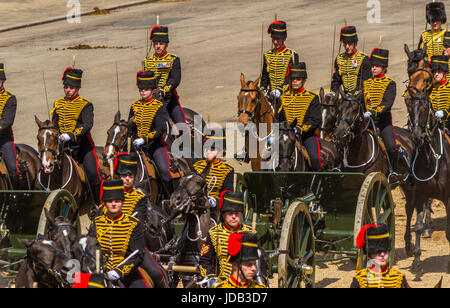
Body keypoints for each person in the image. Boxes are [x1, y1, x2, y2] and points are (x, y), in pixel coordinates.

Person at [51, 67, 102, 204]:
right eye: (66, 87)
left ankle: (97, 205)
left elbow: (87, 125)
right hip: (63, 146)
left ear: (78, 89)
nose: (68, 90)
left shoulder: (85, 105)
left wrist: (71, 135)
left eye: (71, 88)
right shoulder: (58, 104)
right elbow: (54, 123)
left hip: (82, 146)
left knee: (93, 174)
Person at [89, 179, 149, 288]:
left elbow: (137, 255)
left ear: (122, 202)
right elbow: (89, 250)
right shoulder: (96, 223)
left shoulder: (133, 224)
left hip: (126, 275)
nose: (113, 204)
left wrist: (119, 272)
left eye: (117, 201)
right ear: (105, 203)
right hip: (99, 273)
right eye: (110, 201)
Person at [129, 70, 173, 196]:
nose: (143, 92)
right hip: (136, 146)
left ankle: (168, 197)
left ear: (153, 91)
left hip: (154, 145)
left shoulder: (159, 106)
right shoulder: (134, 106)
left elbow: (160, 129)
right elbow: (131, 127)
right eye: (141, 89)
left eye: (146, 89)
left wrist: (144, 139)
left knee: (165, 171)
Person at [277, 62, 324, 171]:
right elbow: (277, 119)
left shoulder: (312, 98)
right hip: (285, 136)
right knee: (265, 156)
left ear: (304, 81)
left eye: (298, 79)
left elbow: (315, 120)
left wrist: (299, 129)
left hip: (306, 136)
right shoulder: (283, 98)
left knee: (314, 158)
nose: (294, 82)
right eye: (293, 79)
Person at [199, 191, 253, 282]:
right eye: (230, 213)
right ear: (223, 215)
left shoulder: (250, 233)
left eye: (237, 213)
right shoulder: (214, 233)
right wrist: (211, 278)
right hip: (222, 282)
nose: (234, 217)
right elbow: (204, 261)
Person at [144, 26, 188, 132]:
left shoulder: (173, 59)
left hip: (169, 99)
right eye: (156, 44)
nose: (158, 46)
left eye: (161, 44)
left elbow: (175, 79)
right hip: (151, 100)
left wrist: (162, 90)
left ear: (166, 45)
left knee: (182, 127)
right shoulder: (148, 61)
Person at [362, 48, 398, 172]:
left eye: (377, 66)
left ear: (384, 68)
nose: (374, 68)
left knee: (391, 145)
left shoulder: (390, 83)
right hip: (366, 122)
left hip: (382, 122)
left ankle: (393, 171)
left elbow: (387, 104)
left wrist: (372, 112)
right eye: (373, 66)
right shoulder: (366, 83)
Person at [193, 128, 234, 221]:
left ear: (220, 151)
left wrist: (216, 201)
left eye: (212, 149)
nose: (208, 152)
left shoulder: (227, 170)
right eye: (207, 148)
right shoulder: (197, 166)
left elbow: (227, 193)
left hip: (215, 210)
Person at [351, 224, 407, 288]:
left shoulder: (398, 277)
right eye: (377, 252)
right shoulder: (360, 279)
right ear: (368, 254)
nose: (382, 254)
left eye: (385, 251)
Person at [261, 20, 299, 101]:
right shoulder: (267, 55)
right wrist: (262, 89)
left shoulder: (292, 55)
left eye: (278, 39)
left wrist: (280, 90)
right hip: (271, 94)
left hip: (287, 95)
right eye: (273, 39)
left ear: (284, 39)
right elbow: (264, 77)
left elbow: (291, 76)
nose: (275, 42)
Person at [330, 26, 371, 96]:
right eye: (345, 44)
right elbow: (336, 81)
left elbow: (366, 81)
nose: (347, 47)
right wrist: (333, 92)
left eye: (349, 44)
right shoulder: (339, 59)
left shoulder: (363, 59)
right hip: (345, 96)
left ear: (356, 43)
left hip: (360, 96)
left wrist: (352, 94)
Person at [0, 63, 18, 189]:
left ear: (3, 80)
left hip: (4, 140)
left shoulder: (10, 98)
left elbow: (7, 121)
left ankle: (15, 196)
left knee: (12, 168)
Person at [429, 55, 450, 132]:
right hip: (434, 124)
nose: (436, 74)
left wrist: (444, 113)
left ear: (445, 73)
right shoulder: (431, 88)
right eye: (434, 72)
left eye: (439, 72)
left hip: (448, 123)